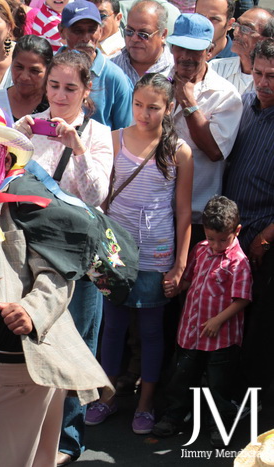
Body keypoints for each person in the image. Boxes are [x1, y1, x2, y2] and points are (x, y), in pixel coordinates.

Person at [0, 102, 113, 467]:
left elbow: (57, 273)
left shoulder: (21, 207)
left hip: (17, 368)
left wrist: (31, 309)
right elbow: (1, 275)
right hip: (14, 365)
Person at [15, 49, 112, 464]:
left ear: (87, 90)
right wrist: (13, 138)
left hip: (80, 258)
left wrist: (78, 148)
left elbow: (96, 196)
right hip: (33, 250)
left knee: (79, 346)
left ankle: (68, 440)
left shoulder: (100, 134)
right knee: (37, 341)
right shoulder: (31, 127)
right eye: (54, 86)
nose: (59, 95)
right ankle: (35, 431)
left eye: (70, 88)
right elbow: (7, 182)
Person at [86, 73, 193, 435]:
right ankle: (107, 395)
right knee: (112, 328)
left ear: (169, 108)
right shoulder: (113, 140)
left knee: (150, 332)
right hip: (115, 253)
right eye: (138, 105)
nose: (144, 114)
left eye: (153, 107)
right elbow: (99, 197)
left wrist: (179, 264)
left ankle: (146, 404)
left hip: (156, 255)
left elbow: (183, 212)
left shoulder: (179, 151)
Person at [152, 196, 251, 447]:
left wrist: (218, 320)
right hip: (191, 331)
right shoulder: (201, 248)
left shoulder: (239, 262)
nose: (216, 245)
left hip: (221, 338)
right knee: (181, 376)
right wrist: (177, 288)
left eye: (222, 239)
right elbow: (190, 279)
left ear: (236, 231)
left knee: (219, 384)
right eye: (212, 238)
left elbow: (242, 299)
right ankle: (175, 415)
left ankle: (219, 424)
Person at [223, 38, 274, 397]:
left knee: (260, 328)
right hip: (232, 235)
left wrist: (267, 237)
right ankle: (225, 396)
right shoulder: (243, 103)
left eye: (272, 76)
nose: (263, 82)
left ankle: (250, 402)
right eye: (257, 73)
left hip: (265, 241)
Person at [167, 13, 242, 246]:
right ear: (171, 48)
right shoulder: (157, 82)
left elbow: (215, 151)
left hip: (198, 216)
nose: (186, 56)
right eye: (180, 48)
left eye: (195, 50)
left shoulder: (226, 94)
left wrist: (188, 102)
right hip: (156, 208)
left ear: (209, 51)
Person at [59, 0, 133, 130]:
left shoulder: (115, 77)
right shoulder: (48, 70)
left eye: (91, 30)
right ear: (62, 31)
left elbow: (124, 133)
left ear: (100, 31)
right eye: (78, 31)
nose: (86, 38)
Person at [210, 7, 274, 94]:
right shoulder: (215, 68)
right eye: (236, 25)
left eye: (245, 29)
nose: (236, 32)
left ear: (267, 40)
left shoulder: (269, 81)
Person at [0, 34, 51, 121]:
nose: (24, 77)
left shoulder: (56, 106)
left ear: (48, 71)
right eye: (19, 67)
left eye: (34, 71)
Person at [112, 0, 174, 85]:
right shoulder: (111, 67)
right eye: (129, 31)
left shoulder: (175, 72)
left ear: (163, 34)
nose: (134, 39)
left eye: (143, 34)